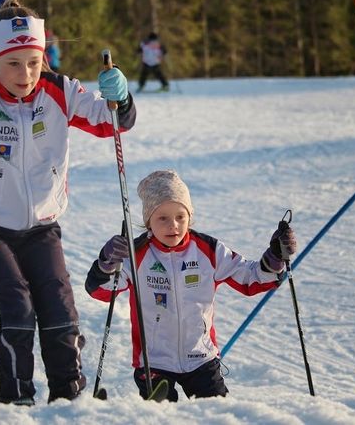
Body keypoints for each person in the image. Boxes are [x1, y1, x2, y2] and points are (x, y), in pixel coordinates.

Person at [0, 0, 135, 406]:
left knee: (60, 313)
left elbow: (114, 123)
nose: (25, 73)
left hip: (40, 230)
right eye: (13, 63)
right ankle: (16, 402)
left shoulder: (61, 91)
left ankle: (69, 401)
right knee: (18, 310)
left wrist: (118, 97)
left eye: (33, 62)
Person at [85, 170, 297, 401]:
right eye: (162, 218)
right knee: (162, 415)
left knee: (217, 414)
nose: (172, 225)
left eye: (180, 217)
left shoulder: (208, 250)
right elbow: (101, 290)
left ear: (190, 217)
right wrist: (106, 262)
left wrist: (275, 258)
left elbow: (251, 278)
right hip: (154, 362)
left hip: (201, 358)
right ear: (148, 221)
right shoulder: (137, 254)